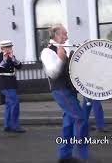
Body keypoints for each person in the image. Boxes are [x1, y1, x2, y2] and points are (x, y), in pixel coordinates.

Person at [41, 24, 88, 163]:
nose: (67, 37)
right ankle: (82, 156)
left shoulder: (64, 49)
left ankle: (64, 156)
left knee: (69, 123)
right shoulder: (47, 52)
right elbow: (52, 73)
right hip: (60, 90)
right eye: (64, 34)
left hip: (69, 90)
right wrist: (61, 59)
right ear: (56, 35)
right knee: (80, 119)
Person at [0, 40, 25, 133]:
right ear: (2, 48)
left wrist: (13, 59)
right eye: (7, 47)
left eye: (10, 47)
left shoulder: (12, 57)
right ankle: (15, 125)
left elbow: (19, 67)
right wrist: (5, 60)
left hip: (11, 82)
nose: (10, 49)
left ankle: (7, 125)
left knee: (9, 104)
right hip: (4, 82)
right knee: (15, 102)